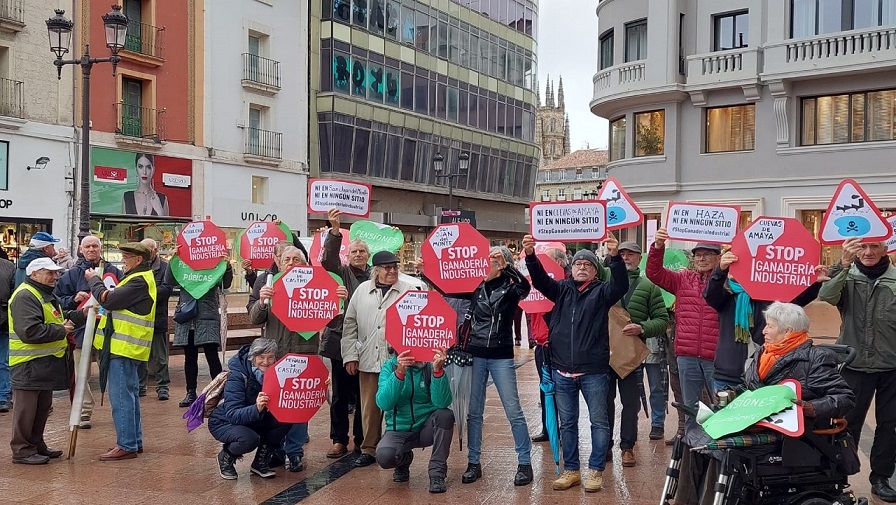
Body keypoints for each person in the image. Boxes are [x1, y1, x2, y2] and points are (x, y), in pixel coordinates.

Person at [419, 246, 533, 486]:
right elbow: (447, 289)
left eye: (492, 261)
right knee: (474, 412)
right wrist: (425, 274)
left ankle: (524, 462)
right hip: (476, 354)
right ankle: (474, 462)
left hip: (501, 355)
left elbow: (526, 288)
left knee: (513, 410)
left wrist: (508, 267)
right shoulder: (475, 286)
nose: (486, 264)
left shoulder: (510, 289)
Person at [523, 234, 628, 492]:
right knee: (567, 423)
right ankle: (572, 470)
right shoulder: (560, 289)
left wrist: (615, 258)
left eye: (588, 264)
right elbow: (537, 280)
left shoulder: (602, 291)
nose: (582, 267)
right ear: (572, 268)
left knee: (599, 422)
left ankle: (595, 471)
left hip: (594, 371)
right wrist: (530, 255)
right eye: (579, 263)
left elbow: (621, 285)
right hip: (562, 370)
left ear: (595, 271)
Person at [248, 245, 343, 473]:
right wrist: (262, 302)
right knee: (274, 407)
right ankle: (275, 450)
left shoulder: (317, 288)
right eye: (287, 259)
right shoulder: (268, 285)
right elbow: (254, 318)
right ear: (279, 263)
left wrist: (338, 303)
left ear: (305, 264)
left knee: (299, 406)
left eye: (296, 259)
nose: (291, 262)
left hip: (304, 356)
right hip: (275, 358)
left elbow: (333, 323)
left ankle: (295, 453)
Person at [818, 237, 896, 502]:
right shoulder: (845, 274)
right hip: (853, 364)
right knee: (845, 424)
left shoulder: (894, 279)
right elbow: (826, 296)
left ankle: (881, 478)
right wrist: (842, 264)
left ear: (886, 249)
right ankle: (837, 477)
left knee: (891, 425)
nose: (869, 252)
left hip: (891, 365)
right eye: (863, 246)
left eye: (875, 246)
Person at [341, 250, 420, 468]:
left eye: (395, 267)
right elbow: (350, 325)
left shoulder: (409, 290)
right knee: (369, 408)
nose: (392, 271)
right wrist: (350, 355)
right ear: (376, 271)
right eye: (387, 268)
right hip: (368, 357)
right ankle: (369, 449)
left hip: (398, 359)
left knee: (398, 404)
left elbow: (419, 322)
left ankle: (399, 446)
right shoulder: (361, 291)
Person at [704, 250, 825, 392]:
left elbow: (795, 302)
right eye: (733, 268)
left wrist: (814, 284)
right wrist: (720, 270)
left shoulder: (768, 296)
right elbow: (710, 294)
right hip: (727, 374)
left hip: (762, 374)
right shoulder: (725, 297)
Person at [8, 258, 86, 464]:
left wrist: (81, 314)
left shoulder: (43, 294)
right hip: (29, 363)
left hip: (43, 363)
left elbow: (58, 317)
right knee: (26, 411)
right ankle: (23, 450)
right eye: (49, 273)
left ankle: (36, 444)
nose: (55, 276)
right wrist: (62, 330)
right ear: (34, 274)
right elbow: (29, 331)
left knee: (41, 408)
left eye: (55, 272)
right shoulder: (26, 295)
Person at [86, 242, 156, 461]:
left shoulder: (139, 280)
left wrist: (94, 281)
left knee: (121, 398)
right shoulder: (138, 278)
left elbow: (110, 299)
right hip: (125, 346)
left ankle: (126, 444)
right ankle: (133, 441)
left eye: (126, 257)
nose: (122, 261)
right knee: (130, 395)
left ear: (138, 260)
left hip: (123, 347)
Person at [605, 242, 669, 466]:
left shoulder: (650, 287)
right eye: (621, 253)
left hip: (631, 355)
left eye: (630, 254)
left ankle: (627, 447)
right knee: (604, 402)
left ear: (639, 258)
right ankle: (605, 446)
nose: (625, 257)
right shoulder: (605, 278)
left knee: (630, 402)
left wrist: (642, 328)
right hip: (604, 352)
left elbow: (663, 319)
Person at [646, 229, 721, 420]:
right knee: (692, 409)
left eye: (707, 254)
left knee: (720, 408)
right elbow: (654, 273)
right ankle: (693, 447)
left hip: (716, 356)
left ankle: (717, 448)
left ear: (718, 258)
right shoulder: (683, 279)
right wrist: (658, 246)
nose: (701, 259)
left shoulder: (727, 282)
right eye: (698, 255)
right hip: (687, 355)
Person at [54, 235, 122, 429]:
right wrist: (74, 299)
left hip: (107, 330)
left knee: (109, 370)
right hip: (80, 329)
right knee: (80, 372)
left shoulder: (113, 271)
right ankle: (83, 412)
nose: (91, 249)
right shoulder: (71, 274)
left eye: (95, 246)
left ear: (100, 248)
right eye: (88, 246)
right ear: (81, 250)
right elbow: (58, 300)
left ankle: (117, 411)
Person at [319, 208, 369, 458]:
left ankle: (362, 439)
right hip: (340, 342)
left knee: (364, 395)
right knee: (339, 395)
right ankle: (339, 439)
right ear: (348, 255)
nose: (358, 255)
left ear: (368, 256)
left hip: (368, 344)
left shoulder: (376, 276)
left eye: (362, 251)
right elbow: (326, 260)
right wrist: (335, 231)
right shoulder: (341, 272)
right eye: (354, 252)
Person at [209, 338, 291, 480]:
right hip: (225, 421)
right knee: (249, 439)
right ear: (253, 357)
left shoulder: (279, 373)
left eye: (271, 357)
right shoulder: (238, 375)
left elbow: (296, 389)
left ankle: (260, 462)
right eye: (261, 357)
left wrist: (320, 383)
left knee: (286, 419)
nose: (266, 362)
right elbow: (233, 414)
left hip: (255, 419)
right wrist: (256, 407)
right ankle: (226, 456)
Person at [375, 347, 454, 493]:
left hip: (426, 427)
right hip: (399, 430)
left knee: (446, 415)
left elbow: (443, 403)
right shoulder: (389, 366)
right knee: (384, 456)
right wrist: (399, 373)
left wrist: (437, 371)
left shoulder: (429, 366)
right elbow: (383, 403)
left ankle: (437, 473)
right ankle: (404, 459)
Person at [166, 251, 232, 408]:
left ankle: (218, 392)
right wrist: (173, 260)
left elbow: (226, 283)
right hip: (187, 317)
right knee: (189, 358)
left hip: (207, 316)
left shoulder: (213, 266)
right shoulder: (183, 267)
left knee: (212, 356)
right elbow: (168, 280)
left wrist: (227, 266)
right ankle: (190, 392)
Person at [529, 246, 569, 443]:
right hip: (541, 344)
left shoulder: (563, 286)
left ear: (559, 263)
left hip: (558, 344)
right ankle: (548, 428)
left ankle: (563, 429)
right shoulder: (538, 285)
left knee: (561, 387)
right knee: (545, 387)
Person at [137, 239, 172, 401]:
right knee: (140, 356)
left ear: (155, 251)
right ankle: (140, 386)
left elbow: (166, 289)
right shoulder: (137, 265)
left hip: (157, 319)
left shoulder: (165, 267)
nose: (144, 252)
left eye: (147, 249)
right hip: (139, 319)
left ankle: (163, 387)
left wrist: (144, 294)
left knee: (160, 357)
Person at [0, 248, 14, 413]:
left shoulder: (8, 267)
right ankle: (3, 397)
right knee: (3, 362)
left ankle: (3, 396)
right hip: (3, 318)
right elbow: (13, 293)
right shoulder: (9, 266)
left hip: (3, 319)